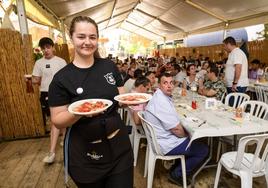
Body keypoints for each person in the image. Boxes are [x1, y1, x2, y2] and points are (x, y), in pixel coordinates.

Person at [48, 16, 133, 187]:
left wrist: (133, 99)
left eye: (92, 37)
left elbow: (121, 97)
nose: (87, 42)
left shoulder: (108, 66)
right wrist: (78, 112)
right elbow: (57, 120)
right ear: (72, 37)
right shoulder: (61, 78)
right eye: (81, 36)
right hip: (85, 154)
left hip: (119, 147)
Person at [144, 73, 208, 186]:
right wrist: (189, 136)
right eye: (165, 83)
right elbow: (177, 130)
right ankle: (177, 174)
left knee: (194, 138)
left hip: (160, 139)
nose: (169, 86)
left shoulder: (159, 96)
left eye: (171, 83)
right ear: (159, 85)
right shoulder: (161, 101)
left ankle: (176, 167)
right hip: (165, 144)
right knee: (203, 149)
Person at [30, 37, 66, 164]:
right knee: (53, 120)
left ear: (52, 48)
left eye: (48, 47)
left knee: (58, 120)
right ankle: (61, 141)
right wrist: (30, 80)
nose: (46, 50)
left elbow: (66, 79)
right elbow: (36, 80)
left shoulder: (61, 61)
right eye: (43, 48)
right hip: (45, 92)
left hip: (61, 93)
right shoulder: (39, 63)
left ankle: (54, 150)